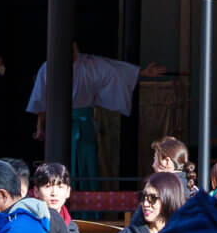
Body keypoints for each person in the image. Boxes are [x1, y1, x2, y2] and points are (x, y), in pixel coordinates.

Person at [25, 43, 166, 184]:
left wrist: (142, 73)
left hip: (85, 121)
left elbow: (114, 70)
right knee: (60, 162)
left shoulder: (90, 64)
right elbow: (40, 99)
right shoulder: (48, 68)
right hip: (59, 123)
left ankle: (88, 194)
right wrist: (39, 128)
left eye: (73, 48)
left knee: (88, 160)